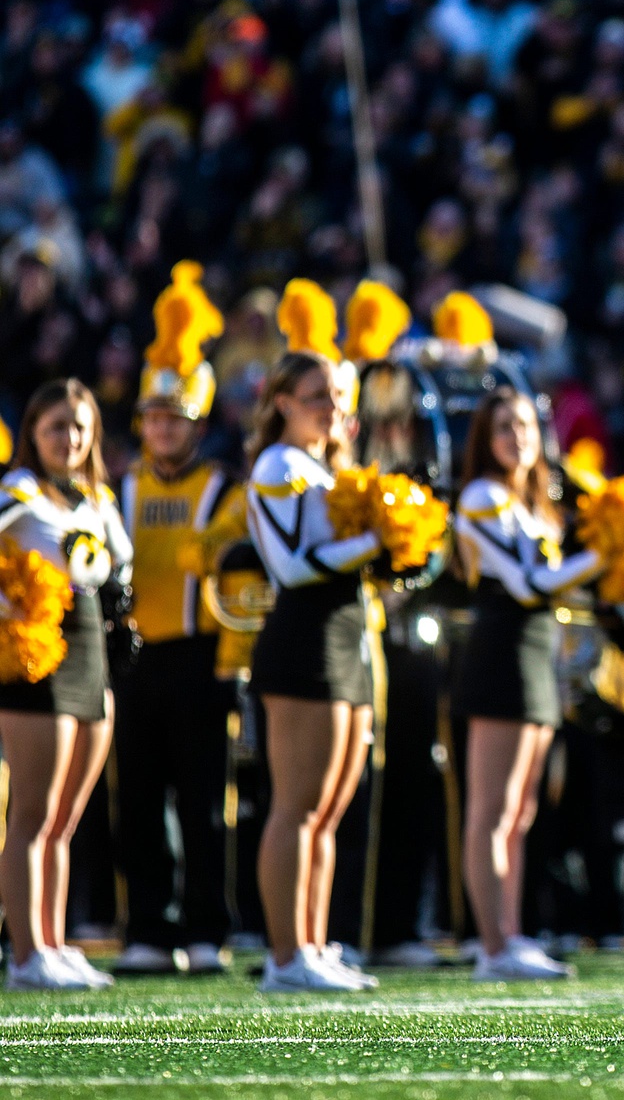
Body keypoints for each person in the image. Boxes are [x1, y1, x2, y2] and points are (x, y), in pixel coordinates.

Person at [243, 341, 382, 993]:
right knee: (297, 805)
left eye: (337, 396)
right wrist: (377, 541)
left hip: (345, 635)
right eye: (317, 395)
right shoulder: (278, 462)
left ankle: (313, 942)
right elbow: (295, 564)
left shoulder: (329, 465)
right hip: (302, 639)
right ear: (282, 403)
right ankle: (284, 955)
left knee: (328, 810)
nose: (331, 407)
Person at [111, 267, 238, 977]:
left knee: (202, 803)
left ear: (195, 421)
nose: (162, 428)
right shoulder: (121, 484)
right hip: (136, 658)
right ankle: (147, 928)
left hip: (200, 657)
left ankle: (205, 928)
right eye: (154, 418)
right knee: (137, 801)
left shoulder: (222, 483)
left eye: (175, 418)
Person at [452, 387, 602, 982]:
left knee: (520, 810)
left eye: (524, 426)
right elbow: (527, 583)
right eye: (502, 429)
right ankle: (493, 944)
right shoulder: (483, 496)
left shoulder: (534, 502)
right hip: (502, 647)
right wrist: (606, 552)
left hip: (538, 647)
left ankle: (510, 934)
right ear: (484, 442)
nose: (516, 437)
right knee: (491, 808)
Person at [0, 380, 132, 990]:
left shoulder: (97, 498)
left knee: (66, 817)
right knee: (31, 812)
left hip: (91, 654)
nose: (69, 439)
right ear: (32, 431)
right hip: (39, 656)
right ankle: (25, 953)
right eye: (56, 426)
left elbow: (118, 570)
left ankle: (52, 941)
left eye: (80, 427)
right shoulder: (19, 491)